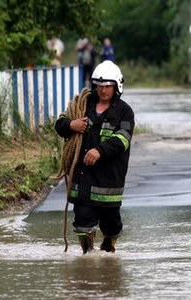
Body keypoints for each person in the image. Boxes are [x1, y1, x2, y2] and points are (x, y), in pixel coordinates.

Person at [54, 60, 135, 254]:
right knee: (82, 222)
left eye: (107, 86)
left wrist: (99, 150)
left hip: (108, 183)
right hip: (82, 180)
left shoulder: (124, 112)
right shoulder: (82, 105)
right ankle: (87, 258)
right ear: (94, 86)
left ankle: (109, 248)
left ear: (116, 86)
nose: (103, 90)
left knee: (111, 224)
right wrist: (70, 125)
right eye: (99, 86)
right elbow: (60, 124)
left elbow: (122, 140)